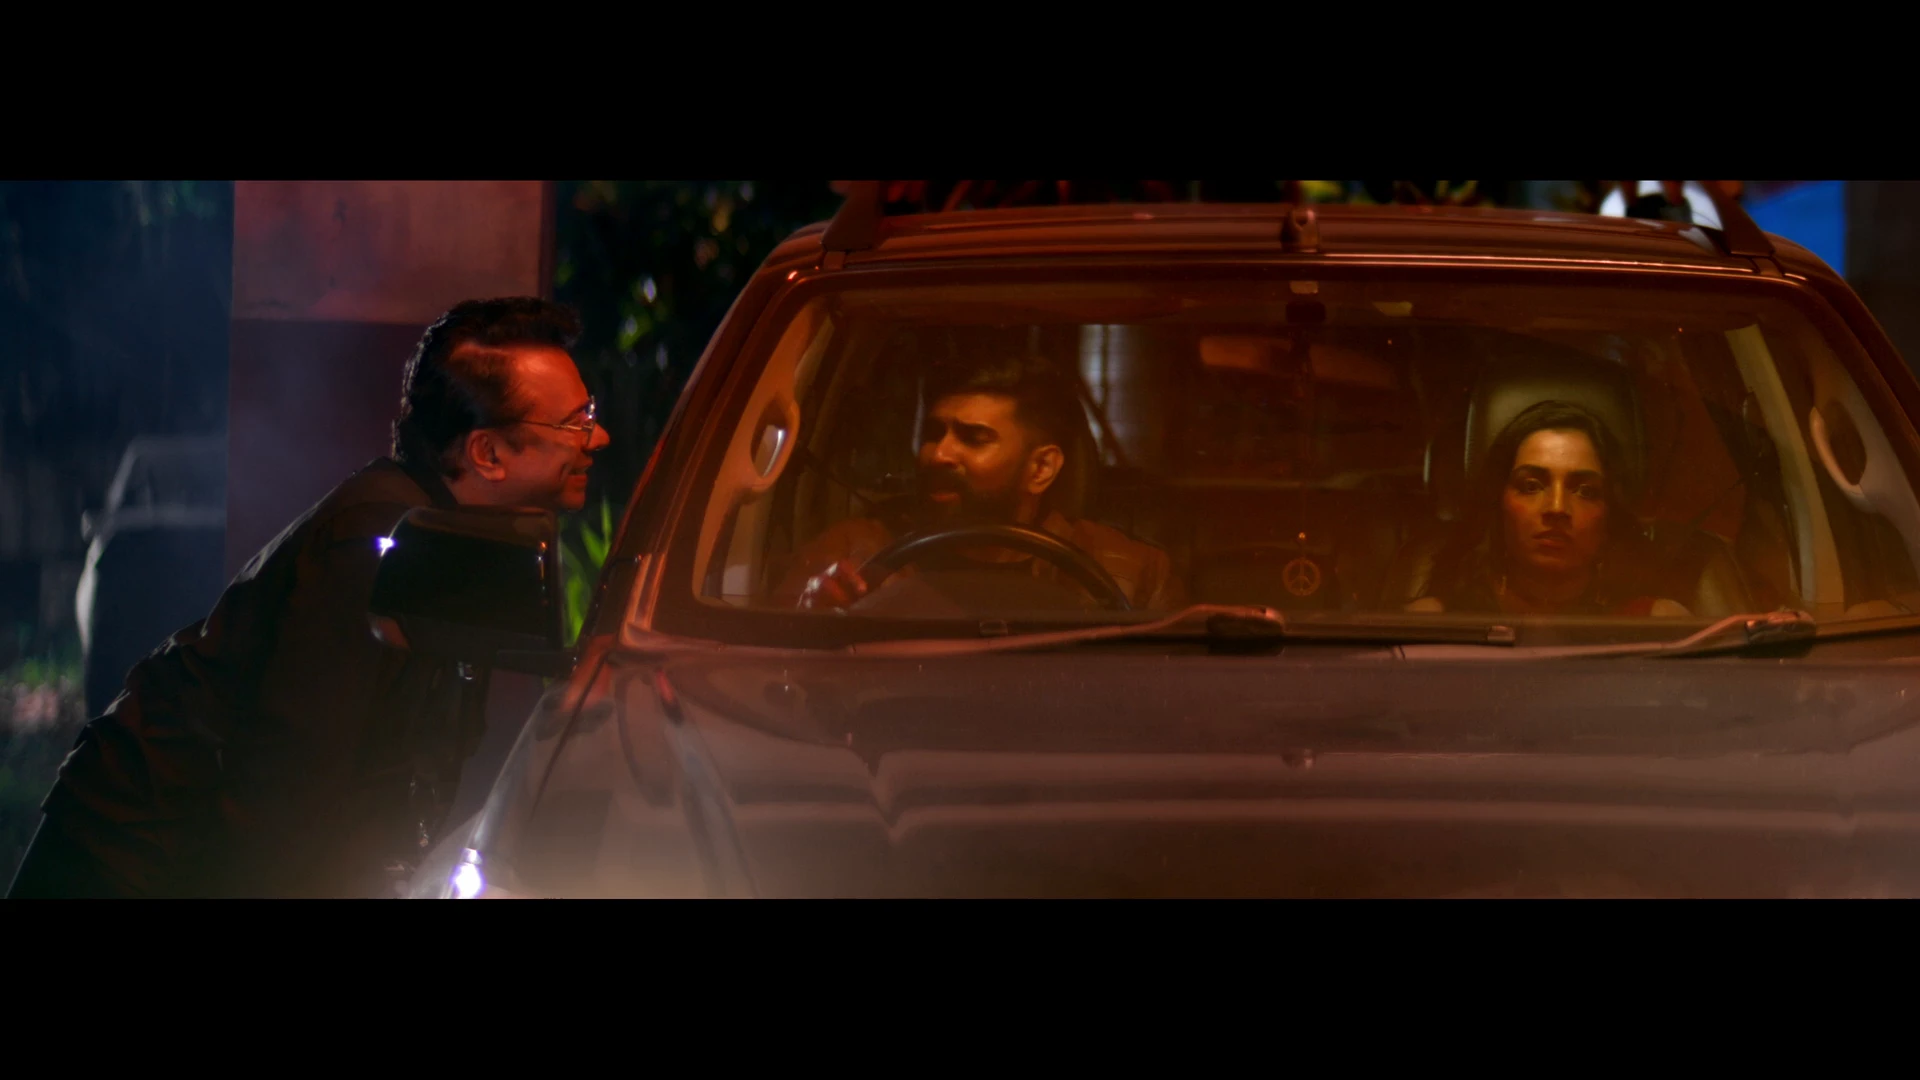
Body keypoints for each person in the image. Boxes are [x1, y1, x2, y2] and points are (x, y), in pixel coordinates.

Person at [7, 297, 610, 899]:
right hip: (132, 847)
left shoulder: (454, 537)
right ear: (488, 454)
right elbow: (287, 784)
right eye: (575, 423)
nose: (598, 437)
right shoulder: (375, 540)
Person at [769, 352, 1182, 612]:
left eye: (974, 438)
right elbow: (779, 673)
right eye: (934, 433)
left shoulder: (1134, 574)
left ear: (1041, 468)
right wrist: (815, 609)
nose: (939, 454)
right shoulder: (851, 555)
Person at [1407, 400, 1688, 617]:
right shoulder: (1437, 621)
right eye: (1531, 486)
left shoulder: (1657, 623)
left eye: (1585, 491)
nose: (1556, 508)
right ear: (1498, 502)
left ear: (1610, 514)